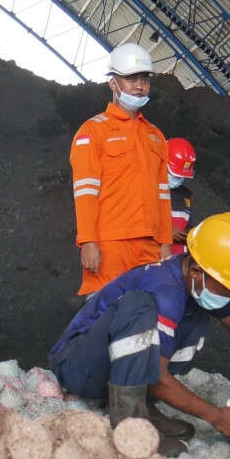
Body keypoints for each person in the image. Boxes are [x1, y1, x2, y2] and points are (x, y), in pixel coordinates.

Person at [49, 213, 230, 455]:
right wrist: (215, 416)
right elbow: (156, 375)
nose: (229, 295)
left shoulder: (195, 282)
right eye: (226, 288)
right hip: (76, 367)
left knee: (197, 315)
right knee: (140, 305)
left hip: (106, 372)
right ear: (197, 271)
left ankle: (141, 404)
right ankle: (130, 426)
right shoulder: (164, 288)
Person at [70, 43, 171, 296]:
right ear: (113, 83)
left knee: (146, 320)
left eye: (144, 79)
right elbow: (85, 192)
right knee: (106, 318)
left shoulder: (156, 136)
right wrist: (88, 241)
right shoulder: (93, 131)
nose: (139, 86)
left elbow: (163, 195)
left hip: (150, 246)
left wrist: (166, 243)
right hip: (110, 244)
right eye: (131, 79)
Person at [166, 137, 196, 256]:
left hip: (176, 262)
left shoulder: (186, 196)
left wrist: (190, 234)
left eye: (180, 176)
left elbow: (187, 225)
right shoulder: (144, 189)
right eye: (174, 175)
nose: (177, 180)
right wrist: (167, 234)